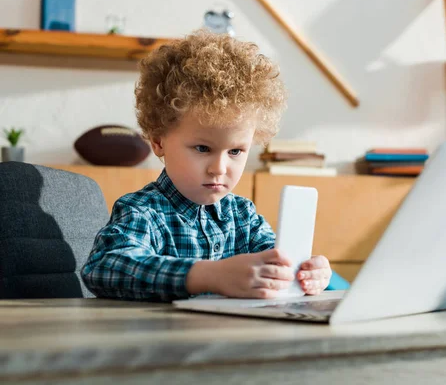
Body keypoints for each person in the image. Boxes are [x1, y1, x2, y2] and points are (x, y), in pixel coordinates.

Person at [81, 30, 332, 301]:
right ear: (158, 141)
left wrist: (307, 273)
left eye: (235, 151)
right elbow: (104, 267)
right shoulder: (143, 212)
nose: (219, 168)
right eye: (203, 148)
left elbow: (275, 264)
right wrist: (209, 275)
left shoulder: (243, 217)